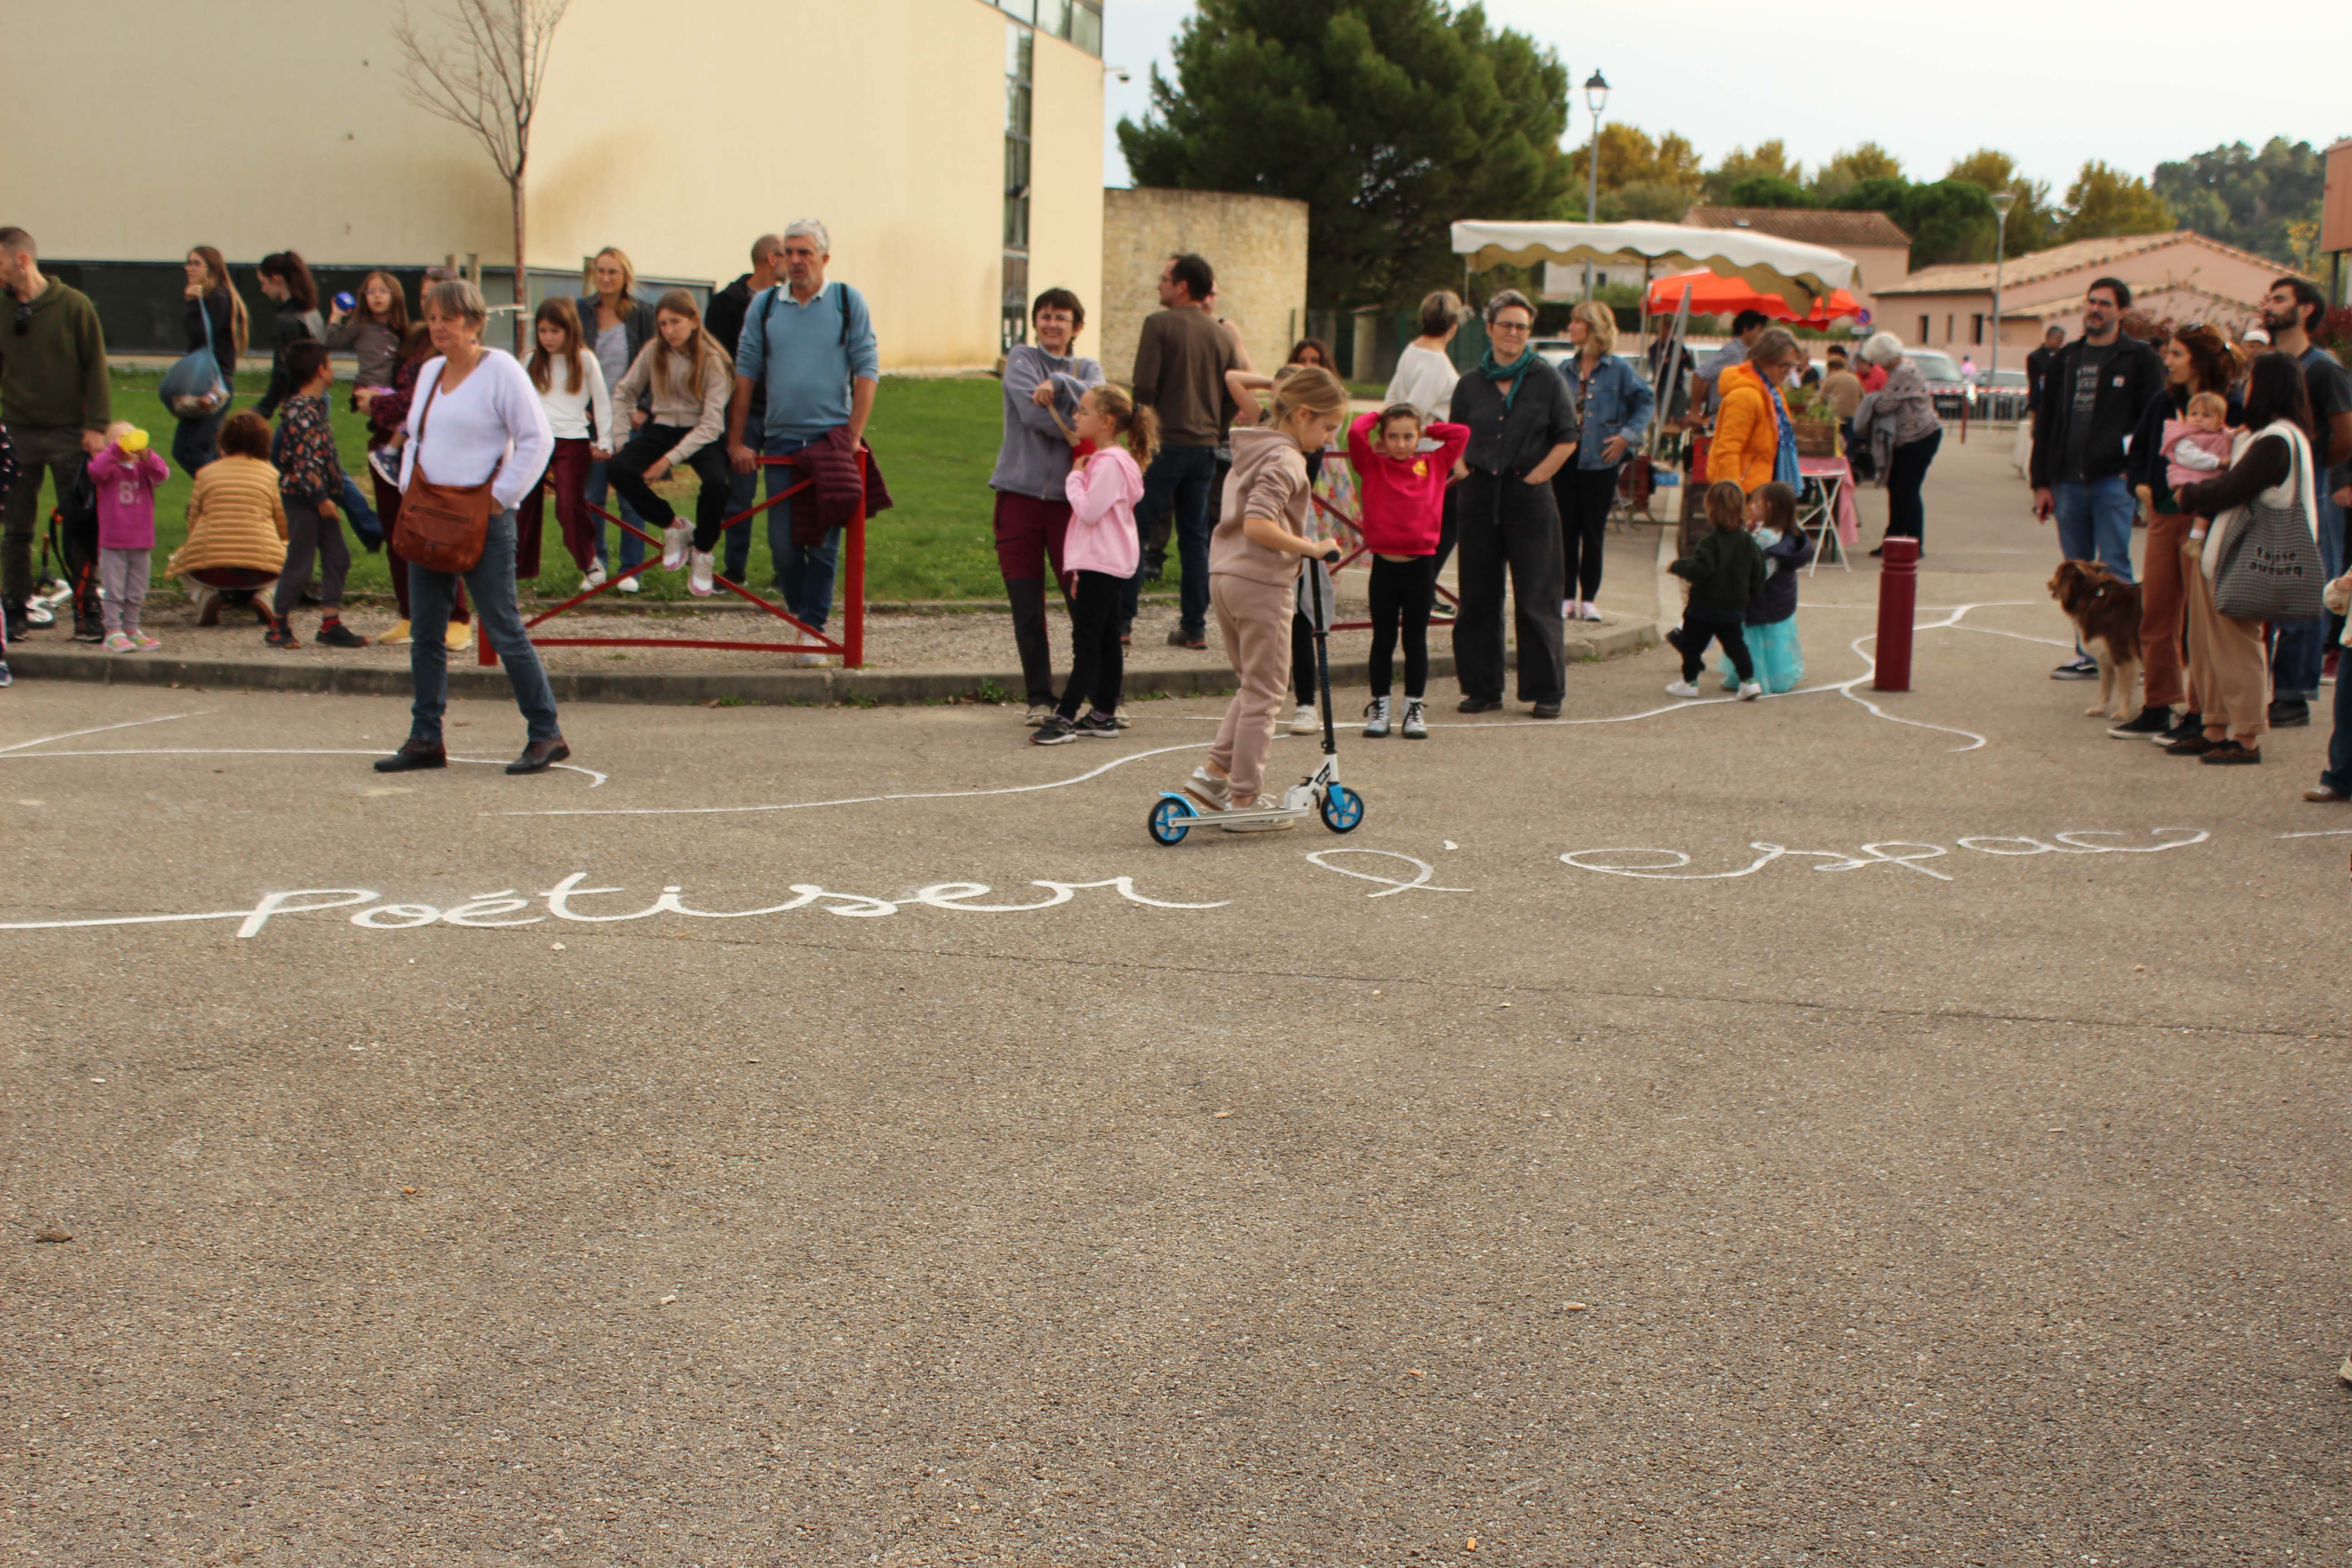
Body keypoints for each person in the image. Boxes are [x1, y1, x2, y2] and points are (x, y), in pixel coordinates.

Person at [376, 278, 564, 775]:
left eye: (450, 318)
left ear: (475, 322)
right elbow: (416, 436)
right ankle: (425, 737)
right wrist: (408, 488)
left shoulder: (501, 370)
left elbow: (537, 439)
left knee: (503, 628)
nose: (439, 327)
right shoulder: (431, 370)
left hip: (483, 519)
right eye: (433, 317)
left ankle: (545, 732)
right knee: (426, 632)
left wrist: (501, 498)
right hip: (429, 515)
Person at [1175, 366, 1348, 824]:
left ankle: (1214, 775)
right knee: (1267, 694)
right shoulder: (1286, 459)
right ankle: (1244, 800)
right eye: (1328, 427)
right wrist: (1310, 547)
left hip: (1226, 575)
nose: (1330, 439)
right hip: (1261, 581)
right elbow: (1258, 524)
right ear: (1303, 414)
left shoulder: (1255, 446)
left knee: (1253, 687)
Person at [726, 219, 880, 652]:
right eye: (788, 253)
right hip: (781, 442)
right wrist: (737, 441)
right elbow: (745, 374)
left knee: (825, 543)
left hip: (831, 442)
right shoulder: (765, 307)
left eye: (804, 253)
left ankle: (813, 628)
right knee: (783, 544)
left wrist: (853, 435)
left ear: (824, 259)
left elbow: (868, 369)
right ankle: (801, 614)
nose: (794, 261)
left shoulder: (848, 301)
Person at [2171, 352, 2318, 766]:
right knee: (2207, 645)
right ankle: (2215, 726)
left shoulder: (2277, 440)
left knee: (2237, 646)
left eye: (2253, 380)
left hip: (2244, 558)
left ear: (2267, 387)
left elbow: (2234, 488)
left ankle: (2247, 735)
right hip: (2222, 555)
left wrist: (2191, 494)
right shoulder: (2268, 435)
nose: (2246, 388)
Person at [1450, 290, 1578, 718]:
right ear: (1489, 328)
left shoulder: (1548, 380)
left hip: (1529, 498)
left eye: (1521, 327)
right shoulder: (1470, 384)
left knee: (1537, 595)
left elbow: (1567, 437)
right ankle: (1482, 687)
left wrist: (1537, 477)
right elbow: (1454, 436)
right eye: (1506, 324)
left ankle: (1546, 691)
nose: (1513, 333)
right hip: (1479, 496)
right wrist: (1464, 473)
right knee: (1478, 595)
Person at [2029, 277, 2165, 679]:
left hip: (2113, 480)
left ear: (2121, 311)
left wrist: (2136, 471)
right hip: (2067, 479)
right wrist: (2041, 482)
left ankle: (2125, 653)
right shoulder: (2067, 358)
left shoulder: (2139, 359)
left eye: (2105, 303)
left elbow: (2152, 420)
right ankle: (2088, 654)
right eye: (2091, 302)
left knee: (2115, 567)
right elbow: (2046, 422)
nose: (2095, 309)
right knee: (2075, 570)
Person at [2121, 325, 2243, 742]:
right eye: (2168, 353)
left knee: (2201, 620)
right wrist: (2141, 485)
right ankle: (2158, 704)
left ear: (2200, 360)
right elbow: (2139, 452)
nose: (2167, 361)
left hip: (2206, 521)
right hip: (2162, 517)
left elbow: (2241, 462)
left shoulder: (2232, 405)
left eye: (2176, 354)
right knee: (2156, 613)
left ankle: (2201, 712)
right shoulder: (2163, 401)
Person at [990, 287, 1104, 720]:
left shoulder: (1087, 368)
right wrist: (1084, 419)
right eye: (1046, 315)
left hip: (1069, 505)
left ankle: (1102, 697)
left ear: (1077, 326)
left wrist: (1059, 384)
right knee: (1026, 605)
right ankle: (1039, 697)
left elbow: (1104, 407)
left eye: (1062, 317)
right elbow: (1032, 414)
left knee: (1083, 602)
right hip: (1017, 498)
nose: (1052, 324)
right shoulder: (1021, 359)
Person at [0, 227, 109, 641]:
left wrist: (96, 426)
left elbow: (95, 367)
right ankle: (15, 607)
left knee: (79, 523)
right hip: (17, 432)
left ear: (22, 260)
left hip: (69, 434)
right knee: (16, 528)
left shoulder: (74, 306)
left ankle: (87, 607)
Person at [1124, 252, 1237, 648]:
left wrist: (1141, 432)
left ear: (1182, 286)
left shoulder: (1159, 325)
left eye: (1165, 278)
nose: (1160, 284)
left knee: (1136, 529)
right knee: (1195, 539)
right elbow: (1234, 392)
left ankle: (1121, 622)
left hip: (1165, 443)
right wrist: (1216, 426)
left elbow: (1144, 387)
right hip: (1205, 449)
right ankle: (1194, 627)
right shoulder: (1221, 335)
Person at [2254, 277, 2352, 728]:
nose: (2268, 306)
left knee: (2301, 586)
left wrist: (2313, 466)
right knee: (2267, 585)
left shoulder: (2323, 369)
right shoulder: (2268, 365)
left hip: (2307, 491)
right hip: (2266, 490)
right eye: (2268, 299)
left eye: (2280, 299)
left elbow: (2346, 432)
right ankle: (2265, 686)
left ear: (2306, 309)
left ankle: (2294, 693)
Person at [1032, 386, 1152, 745]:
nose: (1076, 417)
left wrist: (1074, 477)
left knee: (1087, 643)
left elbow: (1088, 511)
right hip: (1105, 561)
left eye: (1083, 412)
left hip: (1101, 562)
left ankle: (1064, 717)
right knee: (1107, 639)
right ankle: (1104, 714)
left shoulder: (1108, 464)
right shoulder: (1114, 461)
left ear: (1106, 421)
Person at [1348, 403, 1468, 740]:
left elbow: (1461, 434)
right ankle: (1380, 707)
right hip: (1385, 568)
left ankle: (1414, 708)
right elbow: (1356, 431)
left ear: (1418, 438)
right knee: (1383, 640)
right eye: (1393, 437)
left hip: (1421, 567)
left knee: (1415, 641)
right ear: (1382, 438)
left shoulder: (1433, 463)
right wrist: (1381, 415)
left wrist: (1426, 430)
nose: (1401, 444)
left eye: (1408, 437)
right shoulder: (1372, 465)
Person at [607, 290, 735, 597]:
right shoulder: (654, 351)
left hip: (702, 432)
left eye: (675, 322)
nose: (669, 331)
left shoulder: (714, 360)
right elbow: (624, 392)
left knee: (717, 483)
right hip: (662, 427)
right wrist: (622, 442)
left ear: (694, 321)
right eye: (663, 324)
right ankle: (674, 526)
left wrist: (667, 461)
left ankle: (703, 551)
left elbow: (712, 424)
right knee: (619, 469)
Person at [367, 314, 472, 650]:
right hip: (390, 447)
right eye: (432, 311)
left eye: (444, 313)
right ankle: (410, 614)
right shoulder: (410, 340)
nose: (437, 320)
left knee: (437, 533)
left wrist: (376, 403)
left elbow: (417, 398)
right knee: (399, 535)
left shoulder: (456, 349)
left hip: (431, 450)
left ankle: (457, 618)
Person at [1552, 300, 1653, 622]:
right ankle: (1567, 597)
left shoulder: (1619, 370)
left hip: (1601, 462)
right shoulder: (1564, 370)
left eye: (1576, 321)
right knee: (1566, 531)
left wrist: (1626, 437)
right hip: (1565, 461)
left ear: (1593, 327)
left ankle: (1589, 600)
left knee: (1594, 533)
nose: (1570, 327)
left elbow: (1646, 402)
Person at [266, 341, 364, 649]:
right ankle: (278, 624)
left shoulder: (315, 408)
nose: (333, 370)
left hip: (322, 498)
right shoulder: (302, 412)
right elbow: (305, 461)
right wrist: (320, 499)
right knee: (301, 561)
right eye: (330, 364)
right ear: (321, 370)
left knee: (338, 557)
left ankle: (330, 623)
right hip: (305, 498)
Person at [574, 247, 659, 591]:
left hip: (628, 417)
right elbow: (570, 360)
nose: (606, 278)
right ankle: (595, 567)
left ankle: (631, 571)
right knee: (592, 497)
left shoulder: (643, 315)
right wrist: (578, 406)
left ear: (626, 276)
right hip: (591, 417)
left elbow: (656, 363)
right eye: (601, 271)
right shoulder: (581, 312)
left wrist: (644, 408)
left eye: (613, 272)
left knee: (630, 496)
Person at [705, 235, 786, 586]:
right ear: (772, 259)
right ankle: (734, 569)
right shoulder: (726, 304)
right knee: (739, 493)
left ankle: (786, 571)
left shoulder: (790, 302)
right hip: (743, 410)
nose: (794, 262)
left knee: (784, 494)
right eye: (788, 255)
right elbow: (716, 359)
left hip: (783, 411)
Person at [520, 297, 612, 582]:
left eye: (555, 331)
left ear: (570, 330)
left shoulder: (584, 359)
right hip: (536, 438)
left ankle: (588, 559)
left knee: (569, 502)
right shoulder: (530, 359)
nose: (548, 338)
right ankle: (519, 567)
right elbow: (519, 402)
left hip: (572, 439)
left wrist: (605, 441)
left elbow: (602, 401)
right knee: (524, 502)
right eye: (543, 331)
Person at [166, 411, 284, 624]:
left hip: (210, 570)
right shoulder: (272, 475)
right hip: (261, 571)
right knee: (296, 554)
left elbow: (193, 522)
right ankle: (268, 595)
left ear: (223, 441)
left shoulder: (205, 473)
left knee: (179, 558)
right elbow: (284, 525)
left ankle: (204, 595)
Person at [1384, 289, 1467, 577]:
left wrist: (1389, 433)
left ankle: (1420, 581)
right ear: (1453, 326)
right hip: (1429, 457)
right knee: (1446, 521)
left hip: (1414, 453)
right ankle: (1424, 581)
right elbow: (1414, 411)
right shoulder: (1437, 363)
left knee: (1426, 521)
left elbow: (1393, 398)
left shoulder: (1412, 350)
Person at [1666, 480, 1769, 701]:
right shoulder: (1749, 542)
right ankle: (1749, 682)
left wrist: (1678, 566)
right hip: (1734, 607)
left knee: (1692, 645)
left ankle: (1690, 682)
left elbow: (1701, 570)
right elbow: (1759, 573)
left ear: (1711, 510)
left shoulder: (1709, 543)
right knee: (1736, 645)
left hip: (1704, 607)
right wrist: (1749, 595)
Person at [1852, 332, 1943, 554]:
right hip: (1912, 437)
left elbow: (1885, 405)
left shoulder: (1902, 373)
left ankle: (1914, 543)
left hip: (1919, 437)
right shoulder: (1903, 368)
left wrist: (1871, 400)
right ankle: (1894, 540)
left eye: (1879, 361)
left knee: (1907, 490)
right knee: (1898, 488)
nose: (1879, 366)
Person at [1720, 480, 1810, 693]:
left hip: (1761, 600)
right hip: (1778, 599)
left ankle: (1751, 678)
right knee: (1775, 644)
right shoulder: (1785, 532)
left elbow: (1757, 571)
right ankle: (1775, 677)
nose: (1751, 506)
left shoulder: (1766, 538)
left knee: (1752, 642)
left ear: (1770, 508)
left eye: (1757, 504)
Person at [88, 422, 167, 651]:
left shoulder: (143, 468)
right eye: (121, 439)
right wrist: (114, 451)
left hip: (141, 541)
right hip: (113, 542)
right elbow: (95, 471)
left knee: (136, 590)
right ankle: (112, 631)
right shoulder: (109, 469)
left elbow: (162, 474)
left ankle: (132, 628)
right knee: (114, 590)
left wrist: (147, 455)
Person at [1710, 326, 1808, 495]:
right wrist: (1733, 496)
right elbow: (1728, 450)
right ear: (1766, 359)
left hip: (1762, 489)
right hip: (1745, 492)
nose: (1788, 373)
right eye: (1784, 366)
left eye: (1792, 366)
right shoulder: (1745, 396)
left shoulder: (1772, 394)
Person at [176, 245, 245, 475]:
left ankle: (220, 488)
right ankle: (219, 491)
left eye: (196, 263)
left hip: (214, 384)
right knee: (205, 448)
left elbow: (201, 335)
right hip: (209, 381)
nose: (190, 268)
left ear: (211, 269)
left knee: (188, 448)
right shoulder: (211, 298)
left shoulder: (219, 298)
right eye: (189, 263)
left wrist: (192, 303)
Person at [252, 251, 323, 421]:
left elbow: (282, 371)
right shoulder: (312, 313)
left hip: (299, 406)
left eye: (264, 283)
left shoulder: (288, 321)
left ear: (276, 279)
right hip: (318, 399)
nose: (263, 289)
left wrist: (264, 408)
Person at [1695, 309, 1770, 412]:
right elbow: (1700, 374)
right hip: (1726, 413)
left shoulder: (1745, 352)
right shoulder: (1733, 351)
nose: (1761, 336)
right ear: (1746, 330)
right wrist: (1695, 410)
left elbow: (1711, 379)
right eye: (1759, 331)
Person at [2024, 323, 2066, 416]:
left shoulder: (2062, 357)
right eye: (2059, 340)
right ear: (2050, 338)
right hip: (2040, 402)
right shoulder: (2035, 357)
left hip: (2057, 403)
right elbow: (2038, 379)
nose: (2061, 344)